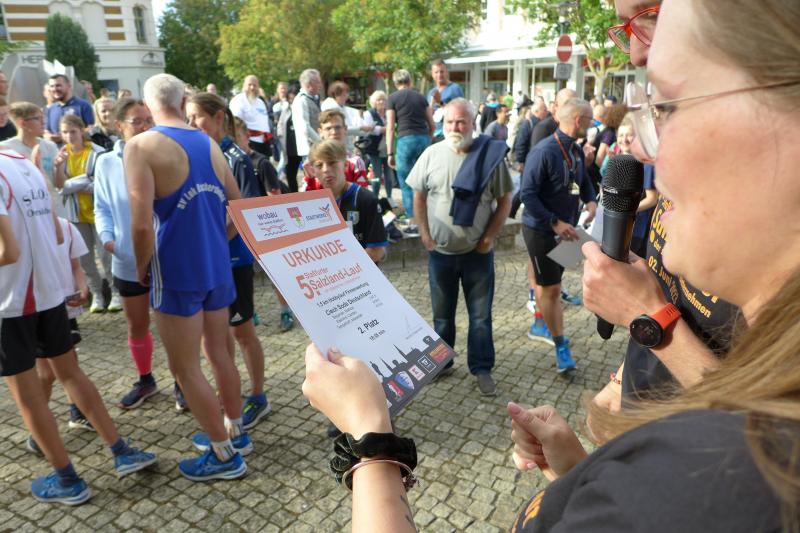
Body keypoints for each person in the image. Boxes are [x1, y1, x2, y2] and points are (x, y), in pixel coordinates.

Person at [300, 4, 800, 530]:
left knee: (506, 308)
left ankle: (517, 348)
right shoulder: (731, 437)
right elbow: (521, 199)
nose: (644, 152)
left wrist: (370, 438)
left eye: (668, 106)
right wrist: (579, 474)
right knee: (506, 301)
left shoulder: (711, 479)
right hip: (531, 242)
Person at [586, 0, 739, 412]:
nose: (635, 53)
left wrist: (646, 313)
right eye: (658, 110)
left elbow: (769, 431)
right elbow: (674, 301)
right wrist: (620, 385)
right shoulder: (683, 185)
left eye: (648, 17)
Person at [0, 147, 156, 506]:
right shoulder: (26, 166)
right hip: (48, 294)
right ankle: (120, 450)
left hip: (10, 303)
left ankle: (67, 479)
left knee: (28, 397)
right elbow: (57, 234)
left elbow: (9, 252)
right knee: (70, 374)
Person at [127, 73, 249, 480]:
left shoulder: (141, 146)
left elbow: (140, 224)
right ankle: (236, 432)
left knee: (185, 367)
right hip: (216, 266)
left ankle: (223, 454)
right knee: (220, 354)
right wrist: (217, 239)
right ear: (183, 101)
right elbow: (238, 206)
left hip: (176, 269)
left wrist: (142, 265)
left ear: (148, 106)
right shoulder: (208, 143)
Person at [407, 98, 513, 396]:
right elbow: (418, 196)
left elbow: (505, 200)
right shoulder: (431, 154)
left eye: (461, 122)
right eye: (450, 122)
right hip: (440, 255)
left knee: (480, 318)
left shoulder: (490, 157)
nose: (455, 127)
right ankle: (442, 363)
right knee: (442, 316)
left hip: (477, 255)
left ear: (472, 124)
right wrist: (424, 234)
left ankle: (482, 368)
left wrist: (489, 238)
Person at [520, 99, 598, 372]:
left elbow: (583, 181)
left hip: (569, 230)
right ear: (578, 120)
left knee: (551, 286)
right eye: (589, 119)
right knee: (551, 289)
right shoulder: (543, 151)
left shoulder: (575, 149)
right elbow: (527, 194)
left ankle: (541, 320)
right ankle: (560, 344)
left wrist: (591, 200)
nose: (592, 124)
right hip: (541, 230)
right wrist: (554, 223)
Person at [93, 98, 160, 409]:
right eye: (137, 121)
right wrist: (108, 238)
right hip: (127, 259)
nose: (145, 126)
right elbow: (102, 207)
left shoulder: (163, 155)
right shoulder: (106, 163)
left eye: (149, 120)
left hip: (165, 258)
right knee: (137, 325)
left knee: (174, 326)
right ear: (119, 126)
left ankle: (184, 382)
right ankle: (146, 379)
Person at [53, 115, 120, 313]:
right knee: (85, 259)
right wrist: (59, 168)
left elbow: (99, 183)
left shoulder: (97, 152)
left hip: (98, 213)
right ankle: (96, 294)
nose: (69, 136)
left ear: (82, 131)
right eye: (65, 132)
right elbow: (60, 186)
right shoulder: (62, 155)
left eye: (73, 131)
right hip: (75, 214)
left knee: (106, 255)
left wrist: (72, 185)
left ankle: (116, 292)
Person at [385, 69, 435, 232]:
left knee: (407, 184)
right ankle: (428, 220)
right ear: (410, 81)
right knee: (424, 183)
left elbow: (390, 127)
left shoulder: (392, 98)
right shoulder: (421, 97)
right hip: (423, 139)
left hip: (405, 141)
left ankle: (414, 222)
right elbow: (432, 124)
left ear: (395, 83)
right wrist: (427, 139)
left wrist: (390, 153)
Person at [1, 102, 59, 196]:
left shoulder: (50, 146)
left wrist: (59, 167)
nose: (43, 122)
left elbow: (60, 184)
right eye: (37, 118)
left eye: (43, 117)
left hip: (52, 201)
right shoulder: (5, 149)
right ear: (22, 123)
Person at [303, 109, 368, 191]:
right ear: (320, 132)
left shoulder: (356, 162)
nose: (334, 132)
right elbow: (308, 195)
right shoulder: (313, 162)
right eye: (328, 128)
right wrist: (310, 179)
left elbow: (361, 194)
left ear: (345, 129)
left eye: (338, 127)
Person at [229, 75, 273, 158]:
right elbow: (235, 123)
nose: (252, 88)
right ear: (244, 85)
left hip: (264, 142)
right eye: (249, 85)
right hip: (249, 143)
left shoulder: (260, 102)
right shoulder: (238, 100)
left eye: (255, 85)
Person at [361, 90, 395, 199]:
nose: (381, 102)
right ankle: (374, 197)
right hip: (374, 148)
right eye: (379, 100)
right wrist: (385, 129)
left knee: (389, 174)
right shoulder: (369, 113)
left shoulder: (389, 112)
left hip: (388, 148)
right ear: (374, 102)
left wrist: (384, 129)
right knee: (377, 174)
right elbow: (369, 129)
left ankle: (389, 197)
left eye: (383, 99)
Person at [321, 81, 371, 151]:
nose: (347, 97)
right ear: (336, 95)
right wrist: (361, 128)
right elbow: (341, 128)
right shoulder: (331, 107)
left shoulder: (340, 107)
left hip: (345, 144)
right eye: (344, 95)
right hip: (336, 145)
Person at [44, 75, 94, 145]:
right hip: (56, 150)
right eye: (52, 86)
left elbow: (91, 128)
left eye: (58, 85)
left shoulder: (83, 105)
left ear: (69, 86)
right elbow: (45, 131)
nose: (55, 89)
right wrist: (49, 136)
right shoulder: (51, 109)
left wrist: (65, 136)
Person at [427, 59, 464, 140]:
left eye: (442, 71)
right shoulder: (431, 92)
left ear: (447, 72)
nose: (439, 75)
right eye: (436, 72)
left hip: (450, 133)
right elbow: (429, 114)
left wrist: (440, 102)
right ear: (432, 74)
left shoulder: (455, 88)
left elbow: (460, 112)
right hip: (434, 134)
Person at [291, 69, 322, 166]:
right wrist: (321, 142)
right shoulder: (301, 101)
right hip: (309, 149)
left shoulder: (312, 98)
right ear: (309, 84)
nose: (320, 85)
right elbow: (305, 126)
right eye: (318, 82)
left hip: (316, 147)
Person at [277, 81, 302, 192]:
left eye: (294, 98)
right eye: (290, 99)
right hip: (290, 149)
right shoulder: (286, 110)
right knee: (290, 174)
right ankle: (294, 195)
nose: (292, 101)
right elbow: (280, 126)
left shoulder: (302, 109)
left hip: (302, 147)